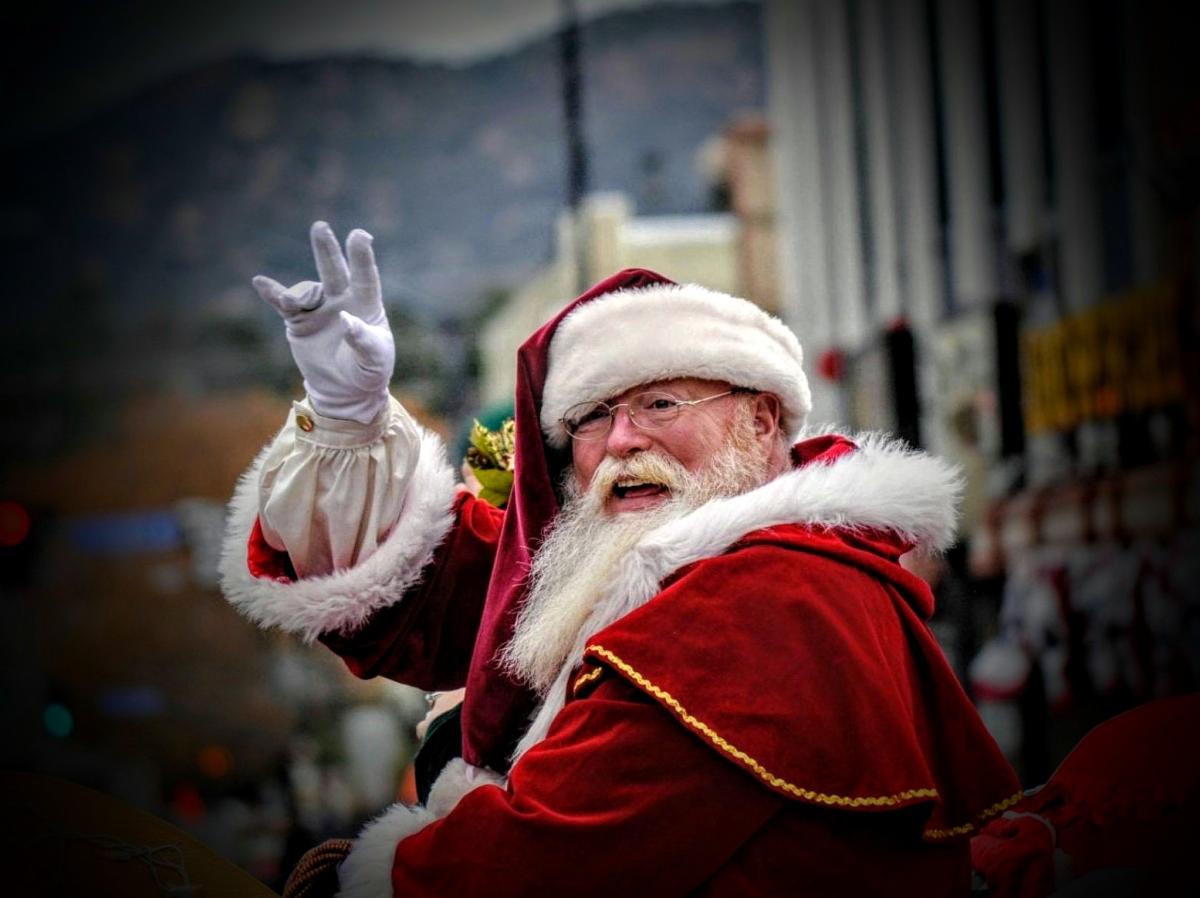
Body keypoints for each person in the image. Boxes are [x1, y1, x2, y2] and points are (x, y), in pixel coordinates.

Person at [220, 222, 1021, 897]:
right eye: (593, 416)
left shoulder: (767, 594)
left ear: (763, 420)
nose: (623, 441)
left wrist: (370, 872)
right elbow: (455, 591)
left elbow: (544, 867)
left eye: (660, 404)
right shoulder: (673, 558)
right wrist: (348, 423)